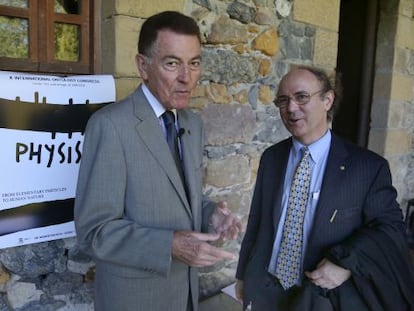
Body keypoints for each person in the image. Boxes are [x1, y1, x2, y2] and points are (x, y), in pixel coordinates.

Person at [74, 11, 242, 311]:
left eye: (194, 63)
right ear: (143, 66)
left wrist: (211, 213)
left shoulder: (192, 123)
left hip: (185, 296)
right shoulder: (109, 126)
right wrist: (170, 245)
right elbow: (93, 232)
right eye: (172, 63)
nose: (186, 78)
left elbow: (179, 196)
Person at [235, 66, 414, 310]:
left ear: (327, 100)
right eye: (283, 100)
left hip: (323, 298)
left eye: (302, 97)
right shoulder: (272, 158)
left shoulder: (367, 167)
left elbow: (391, 229)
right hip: (267, 290)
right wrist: (244, 275)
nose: (291, 108)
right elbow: (257, 222)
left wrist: (347, 263)